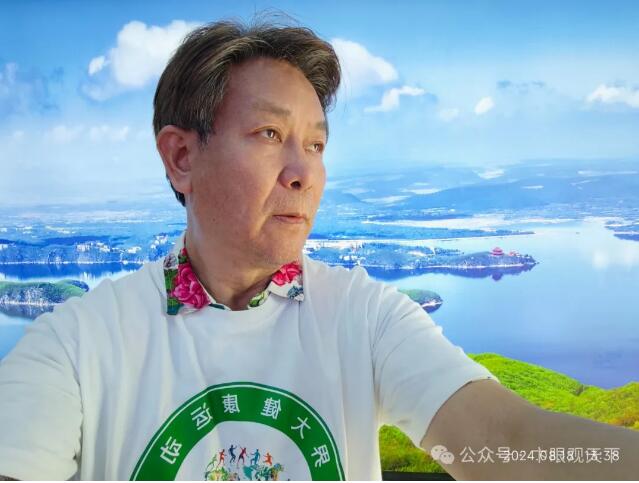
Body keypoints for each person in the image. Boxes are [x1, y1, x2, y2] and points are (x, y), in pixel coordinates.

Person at [0, 17, 638, 482]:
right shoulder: (76, 347)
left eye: (316, 144)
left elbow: (502, 443)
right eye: (269, 133)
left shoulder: (364, 318)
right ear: (182, 156)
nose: (304, 172)